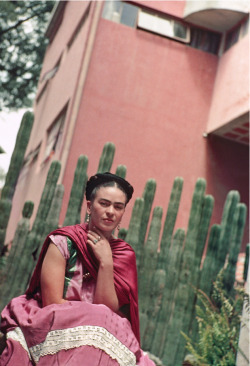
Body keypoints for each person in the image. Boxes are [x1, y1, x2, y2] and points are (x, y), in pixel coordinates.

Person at [0, 172, 156, 366]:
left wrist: (106, 262)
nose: (111, 212)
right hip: (53, 321)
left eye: (118, 207)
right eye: (104, 203)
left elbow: (106, 308)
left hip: (100, 331)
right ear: (90, 206)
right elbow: (52, 302)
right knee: (99, 318)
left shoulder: (123, 254)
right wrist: (91, 318)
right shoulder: (63, 242)